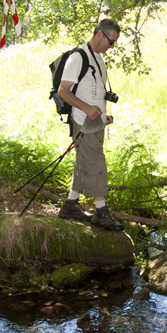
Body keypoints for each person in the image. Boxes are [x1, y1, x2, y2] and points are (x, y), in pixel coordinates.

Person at [55, 18, 124, 232]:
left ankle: (70, 205)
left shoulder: (99, 59)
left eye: (114, 43)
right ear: (100, 35)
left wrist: (103, 115)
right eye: (111, 42)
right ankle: (101, 212)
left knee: (84, 161)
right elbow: (63, 90)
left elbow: (94, 93)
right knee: (96, 163)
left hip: (95, 122)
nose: (111, 47)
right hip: (82, 122)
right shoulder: (78, 57)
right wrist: (86, 108)